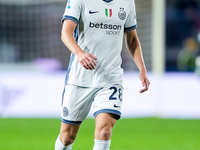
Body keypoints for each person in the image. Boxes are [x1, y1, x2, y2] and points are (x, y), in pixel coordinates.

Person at [55, 0, 150, 149]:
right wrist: (79, 54)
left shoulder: (127, 2)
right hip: (80, 77)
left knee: (105, 131)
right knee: (67, 137)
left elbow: (132, 39)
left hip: (110, 78)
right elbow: (66, 32)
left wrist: (142, 69)